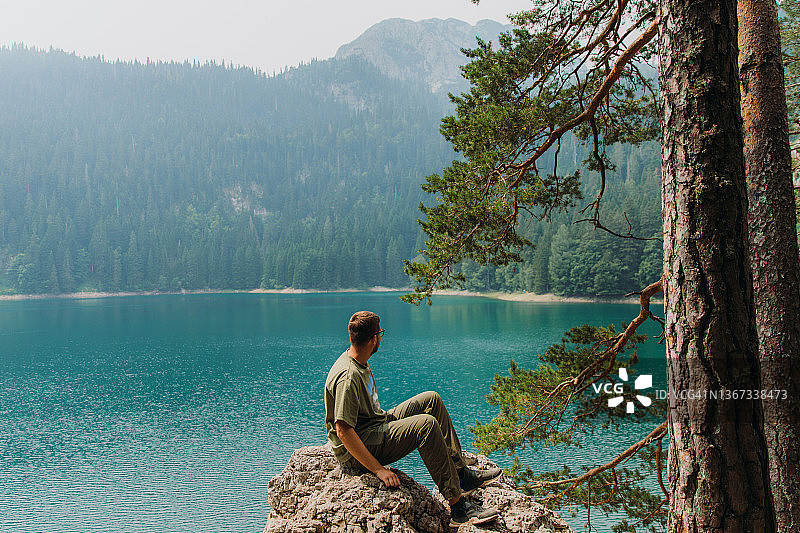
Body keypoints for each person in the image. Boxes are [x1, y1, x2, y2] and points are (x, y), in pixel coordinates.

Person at [324, 311, 502, 527]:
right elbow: (343, 430)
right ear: (374, 339)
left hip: (374, 423)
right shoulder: (348, 376)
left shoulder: (358, 359)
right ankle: (458, 508)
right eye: (380, 333)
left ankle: (461, 475)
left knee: (431, 400)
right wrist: (378, 469)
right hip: (360, 444)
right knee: (425, 426)